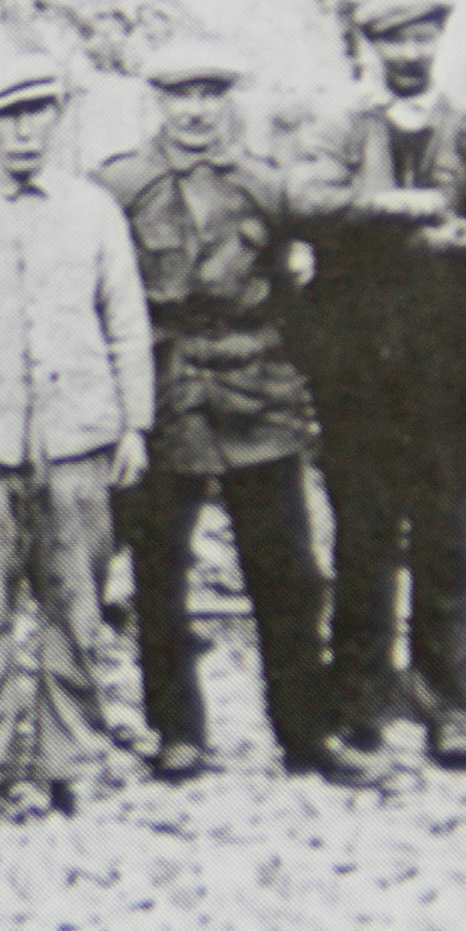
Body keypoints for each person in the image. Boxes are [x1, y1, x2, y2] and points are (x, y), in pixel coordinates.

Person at [94, 41, 379, 787]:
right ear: (158, 102)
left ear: (228, 102)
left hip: (257, 392)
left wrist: (305, 372)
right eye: (180, 95)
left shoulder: (265, 183)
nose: (195, 110)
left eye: (210, 95)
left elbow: (304, 282)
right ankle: (176, 732)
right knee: (160, 573)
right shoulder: (119, 185)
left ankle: (307, 734)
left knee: (290, 575)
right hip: (164, 393)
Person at [290, 0, 466, 768]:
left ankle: (450, 702)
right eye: (394, 40)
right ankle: (361, 697)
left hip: (449, 364)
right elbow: (302, 201)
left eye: (422, 37)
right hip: (357, 364)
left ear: (439, 41)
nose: (409, 52)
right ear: (373, 48)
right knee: (362, 531)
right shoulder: (341, 128)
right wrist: (384, 206)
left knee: (445, 533)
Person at [0, 56, 153, 835]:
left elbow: (126, 322)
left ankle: (72, 761)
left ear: (56, 118)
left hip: (78, 442)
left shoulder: (93, 211)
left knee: (76, 609)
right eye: (5, 117)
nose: (23, 131)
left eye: (37, 113)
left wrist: (135, 425)